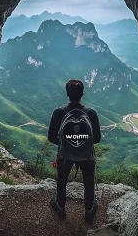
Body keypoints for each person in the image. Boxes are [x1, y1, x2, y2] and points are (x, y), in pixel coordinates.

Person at [48, 79, 101, 220]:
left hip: (65, 155)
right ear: (82, 93)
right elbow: (97, 139)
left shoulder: (58, 113)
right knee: (88, 182)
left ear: (67, 94)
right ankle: (89, 210)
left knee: (62, 180)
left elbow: (51, 137)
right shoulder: (91, 113)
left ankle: (61, 207)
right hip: (86, 155)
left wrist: (66, 143)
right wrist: (82, 143)